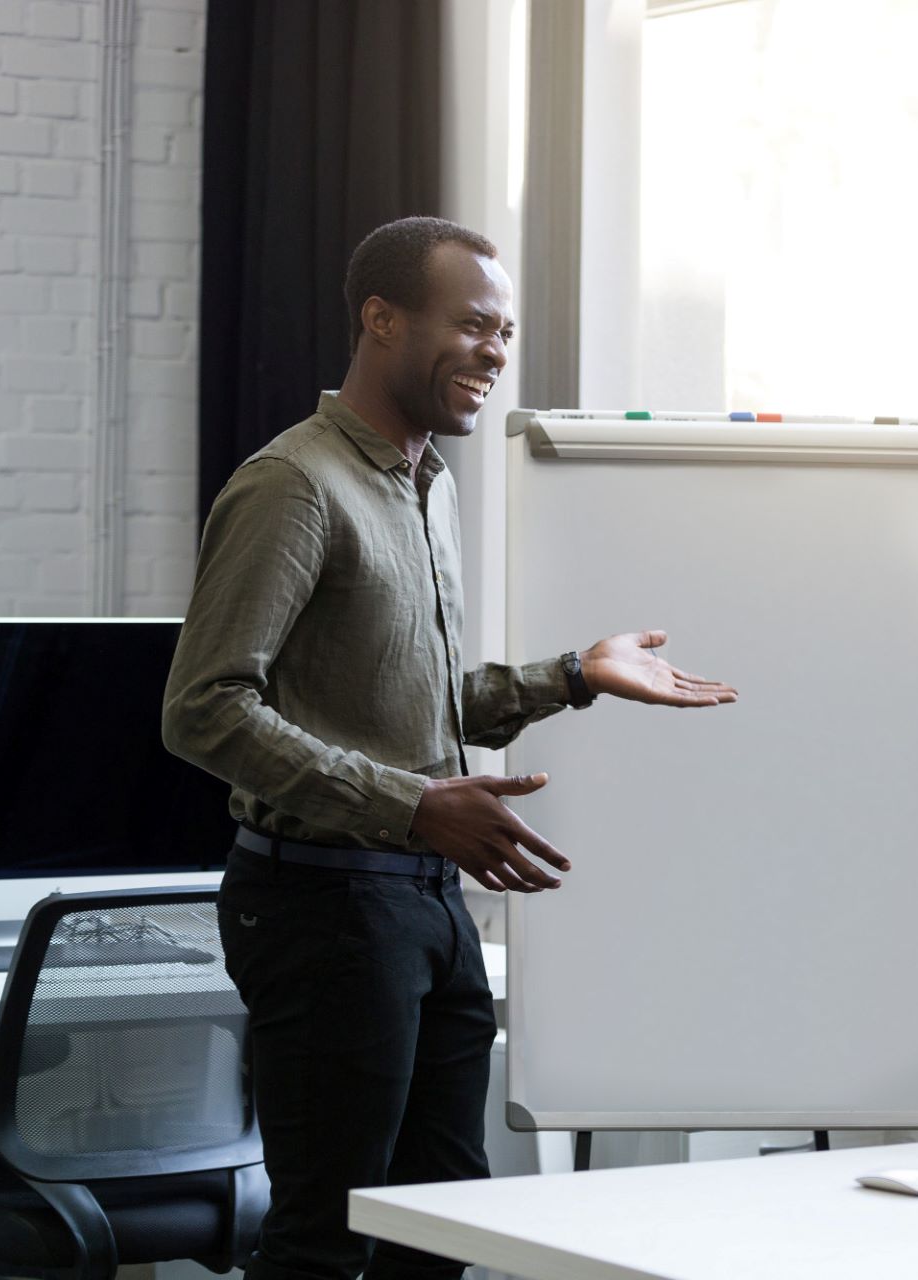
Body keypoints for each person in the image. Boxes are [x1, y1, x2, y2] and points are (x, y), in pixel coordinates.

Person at [163, 216, 737, 1280]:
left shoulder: (430, 486)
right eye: (473, 324)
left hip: (425, 899)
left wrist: (571, 675)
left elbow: (413, 703)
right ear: (382, 321)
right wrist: (417, 806)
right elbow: (203, 707)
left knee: (443, 1224)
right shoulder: (294, 486)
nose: (495, 351)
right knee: (325, 1240)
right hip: (324, 901)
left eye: (505, 331)